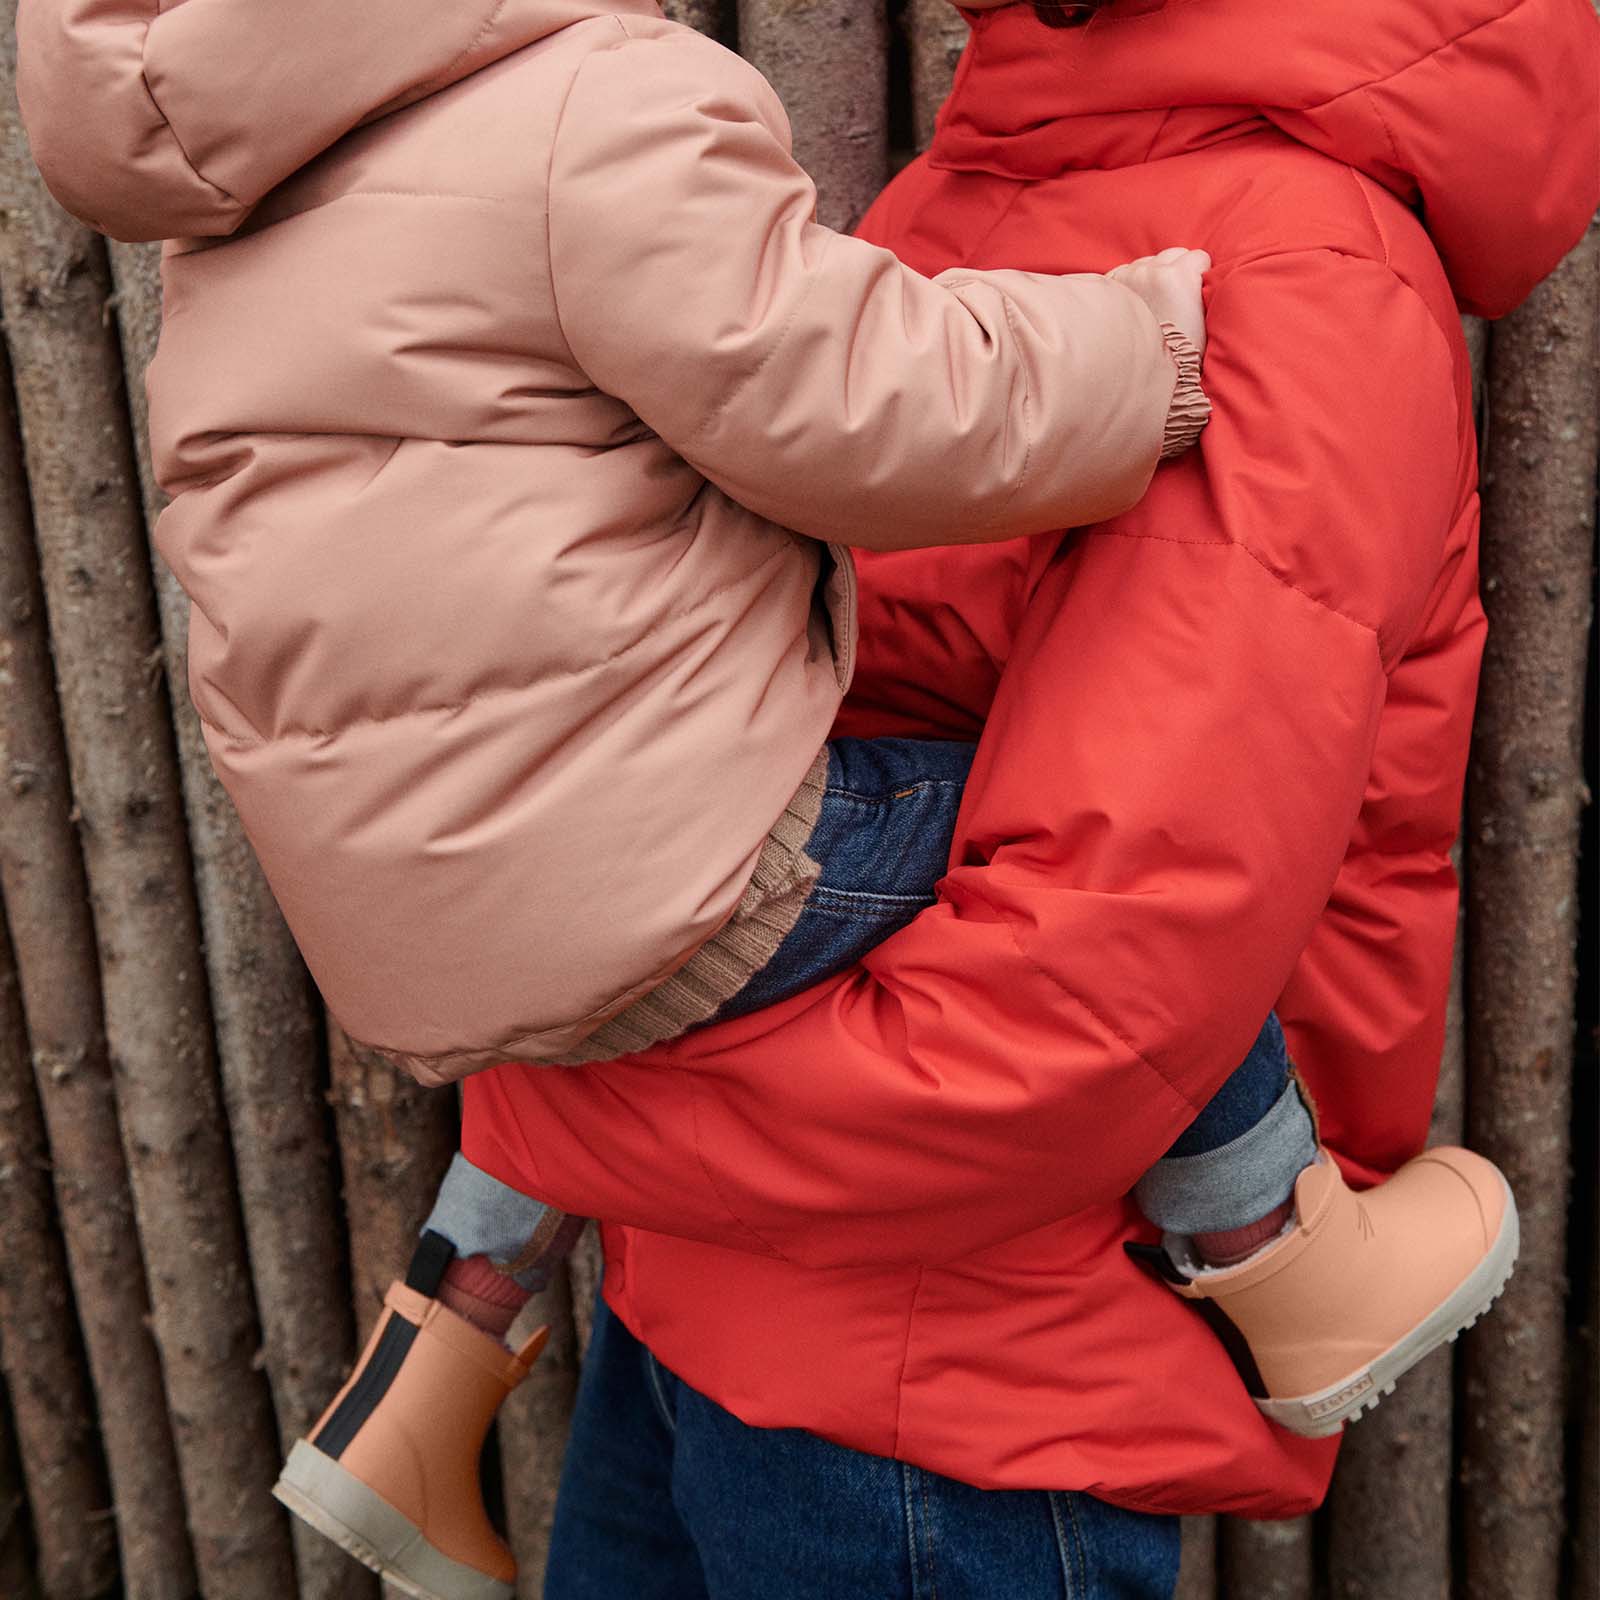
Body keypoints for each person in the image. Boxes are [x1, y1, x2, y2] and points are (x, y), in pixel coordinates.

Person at [14, 1, 1591, 1599]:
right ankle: (1274, 1236)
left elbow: (1093, 995)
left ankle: (1258, 1242)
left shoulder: (1293, 268)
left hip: (953, 1406)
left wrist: (549, 1076)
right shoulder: (960, 181)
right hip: (715, 1317)